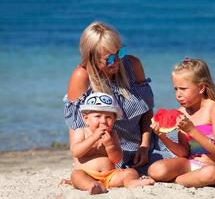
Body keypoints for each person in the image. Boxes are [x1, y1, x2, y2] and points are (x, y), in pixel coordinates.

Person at [63, 21, 175, 175]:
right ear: (92, 57)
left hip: (145, 145)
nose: (117, 62)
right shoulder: (82, 76)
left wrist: (144, 145)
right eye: (109, 59)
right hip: (110, 155)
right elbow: (77, 129)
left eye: (120, 53)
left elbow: (147, 112)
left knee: (182, 143)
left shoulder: (132, 65)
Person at [148, 58, 215, 187]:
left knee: (210, 174)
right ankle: (188, 179)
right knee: (155, 170)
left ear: (201, 88)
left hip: (213, 167)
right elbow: (183, 153)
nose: (178, 94)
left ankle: (177, 181)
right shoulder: (181, 112)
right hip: (190, 164)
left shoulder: (214, 107)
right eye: (175, 89)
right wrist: (162, 136)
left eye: (183, 89)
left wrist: (192, 130)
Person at [69, 92, 154, 194]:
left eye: (108, 117)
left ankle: (131, 182)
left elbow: (117, 159)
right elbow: (76, 152)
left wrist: (110, 145)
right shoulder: (81, 131)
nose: (103, 121)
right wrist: (93, 138)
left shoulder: (113, 135)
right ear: (86, 118)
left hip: (109, 175)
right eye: (98, 116)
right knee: (76, 175)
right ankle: (93, 186)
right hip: (87, 174)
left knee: (130, 172)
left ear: (114, 120)